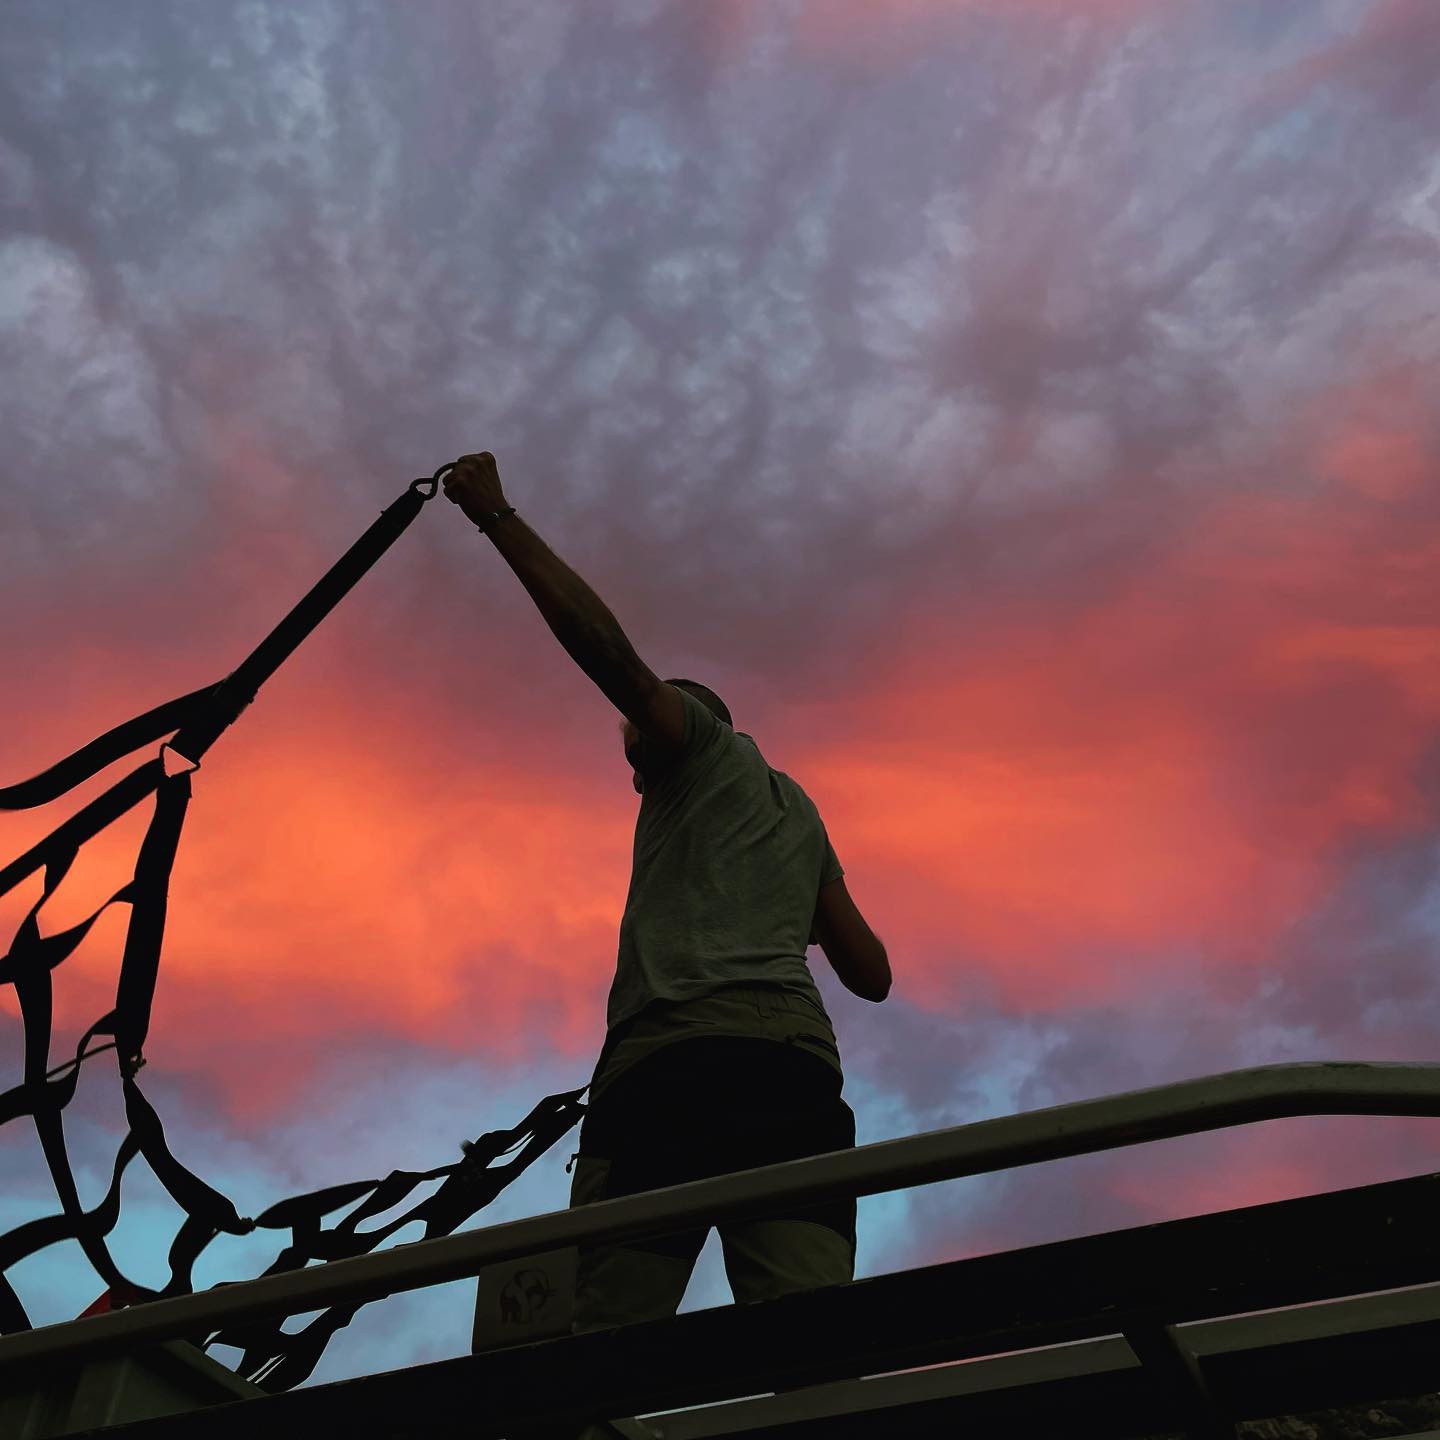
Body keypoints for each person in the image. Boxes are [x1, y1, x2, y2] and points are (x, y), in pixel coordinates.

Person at [443, 452, 891, 1337]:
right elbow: (871, 974)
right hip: (791, 1070)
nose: (634, 767)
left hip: (674, 1062)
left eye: (638, 744)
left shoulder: (704, 753)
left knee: (603, 1339)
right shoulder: (797, 814)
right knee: (812, 1339)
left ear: (685, 725)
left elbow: (608, 656)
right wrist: (779, 905)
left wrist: (495, 515)